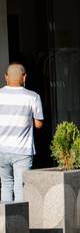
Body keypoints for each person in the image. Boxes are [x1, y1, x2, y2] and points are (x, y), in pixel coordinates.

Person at [0, 63, 44, 202]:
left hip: (1, 149)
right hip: (22, 151)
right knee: (20, 187)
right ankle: (20, 222)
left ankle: (5, 221)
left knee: (6, 185)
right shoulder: (33, 97)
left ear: (6, 77)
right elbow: (38, 124)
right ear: (24, 77)